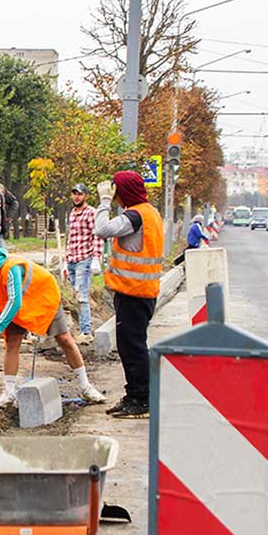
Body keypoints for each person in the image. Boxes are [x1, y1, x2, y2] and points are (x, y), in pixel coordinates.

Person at [0, 245, 105, 407]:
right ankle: (9, 393)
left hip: (43, 298)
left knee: (64, 339)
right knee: (12, 343)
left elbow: (15, 301)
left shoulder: (10, 268)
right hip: (15, 307)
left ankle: (86, 386)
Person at [94, 171, 165, 419]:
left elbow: (102, 229)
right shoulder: (150, 213)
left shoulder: (135, 215)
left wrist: (103, 201)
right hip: (141, 292)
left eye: (116, 193)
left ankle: (141, 399)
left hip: (134, 293)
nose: (115, 198)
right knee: (130, 346)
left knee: (132, 347)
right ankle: (134, 394)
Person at [65, 183, 103, 345]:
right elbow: (71, 238)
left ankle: (86, 331)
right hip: (73, 259)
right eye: (74, 194)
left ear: (85, 195)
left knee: (82, 296)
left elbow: (97, 235)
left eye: (79, 194)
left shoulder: (91, 213)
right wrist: (66, 260)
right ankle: (82, 328)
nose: (76, 197)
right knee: (75, 295)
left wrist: (96, 257)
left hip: (84, 259)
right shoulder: (73, 213)